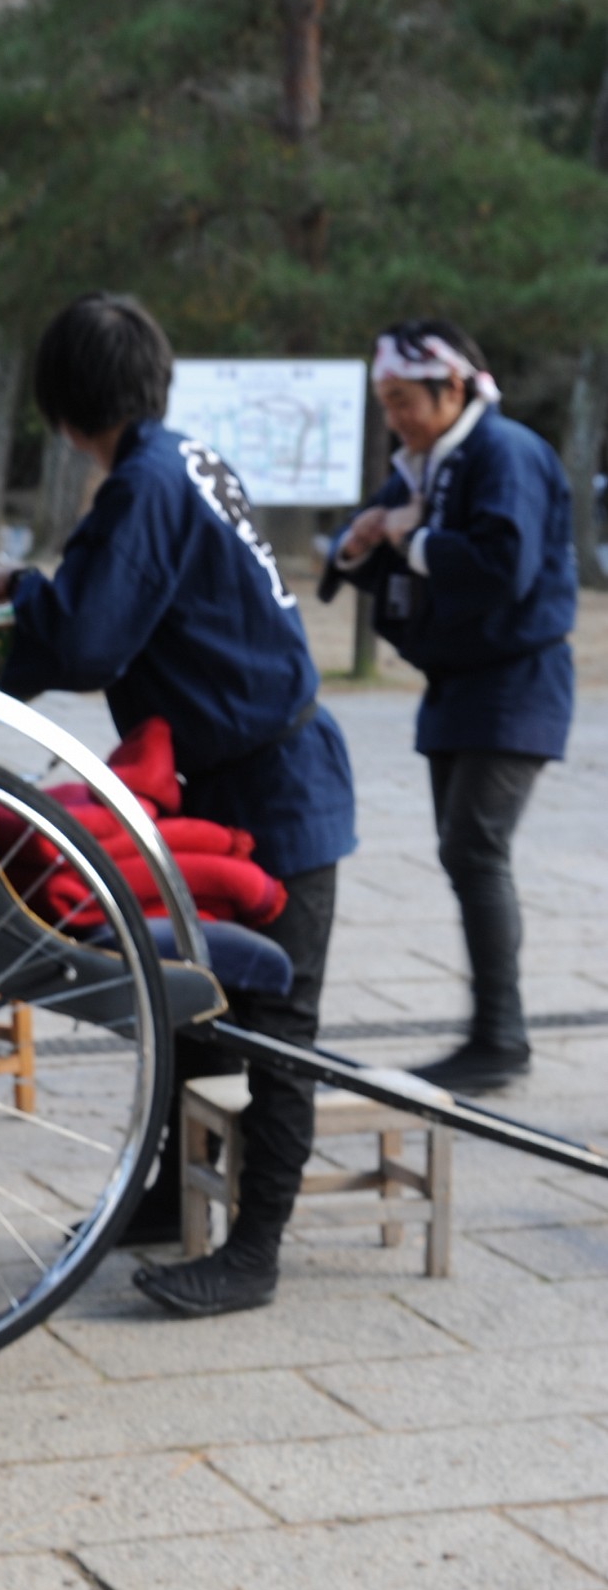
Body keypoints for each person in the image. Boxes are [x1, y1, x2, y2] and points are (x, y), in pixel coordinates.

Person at [0, 291, 355, 1319]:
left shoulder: (143, 483)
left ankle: (257, 1249)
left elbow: (92, 636)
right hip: (242, 776)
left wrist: (22, 617)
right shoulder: (174, 459)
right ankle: (161, 1197)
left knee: (279, 1026)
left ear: (62, 408)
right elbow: (105, 588)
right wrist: (29, 587)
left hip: (282, 785)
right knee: (190, 1002)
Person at [323, 320, 575, 1091]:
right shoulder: (425, 462)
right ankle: (496, 1030)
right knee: (462, 851)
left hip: (516, 679)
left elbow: (505, 563)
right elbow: (365, 542)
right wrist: (362, 542)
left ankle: (501, 1036)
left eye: (404, 401)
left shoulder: (505, 453)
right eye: (386, 404)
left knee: (475, 848)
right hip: (457, 685)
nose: (395, 418)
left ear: (453, 386)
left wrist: (413, 535)